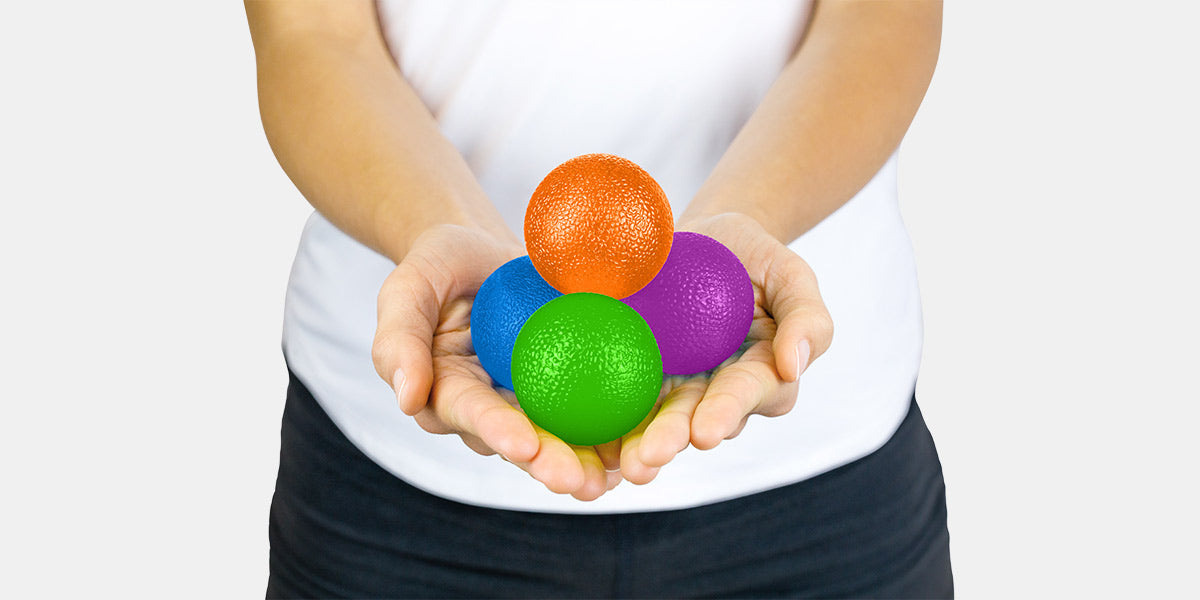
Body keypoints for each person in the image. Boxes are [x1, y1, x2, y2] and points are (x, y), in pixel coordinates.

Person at [247, 0, 950, 597]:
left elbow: (882, 19)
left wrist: (747, 223)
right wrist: (440, 229)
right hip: (388, 495)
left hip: (826, 493)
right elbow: (313, 35)